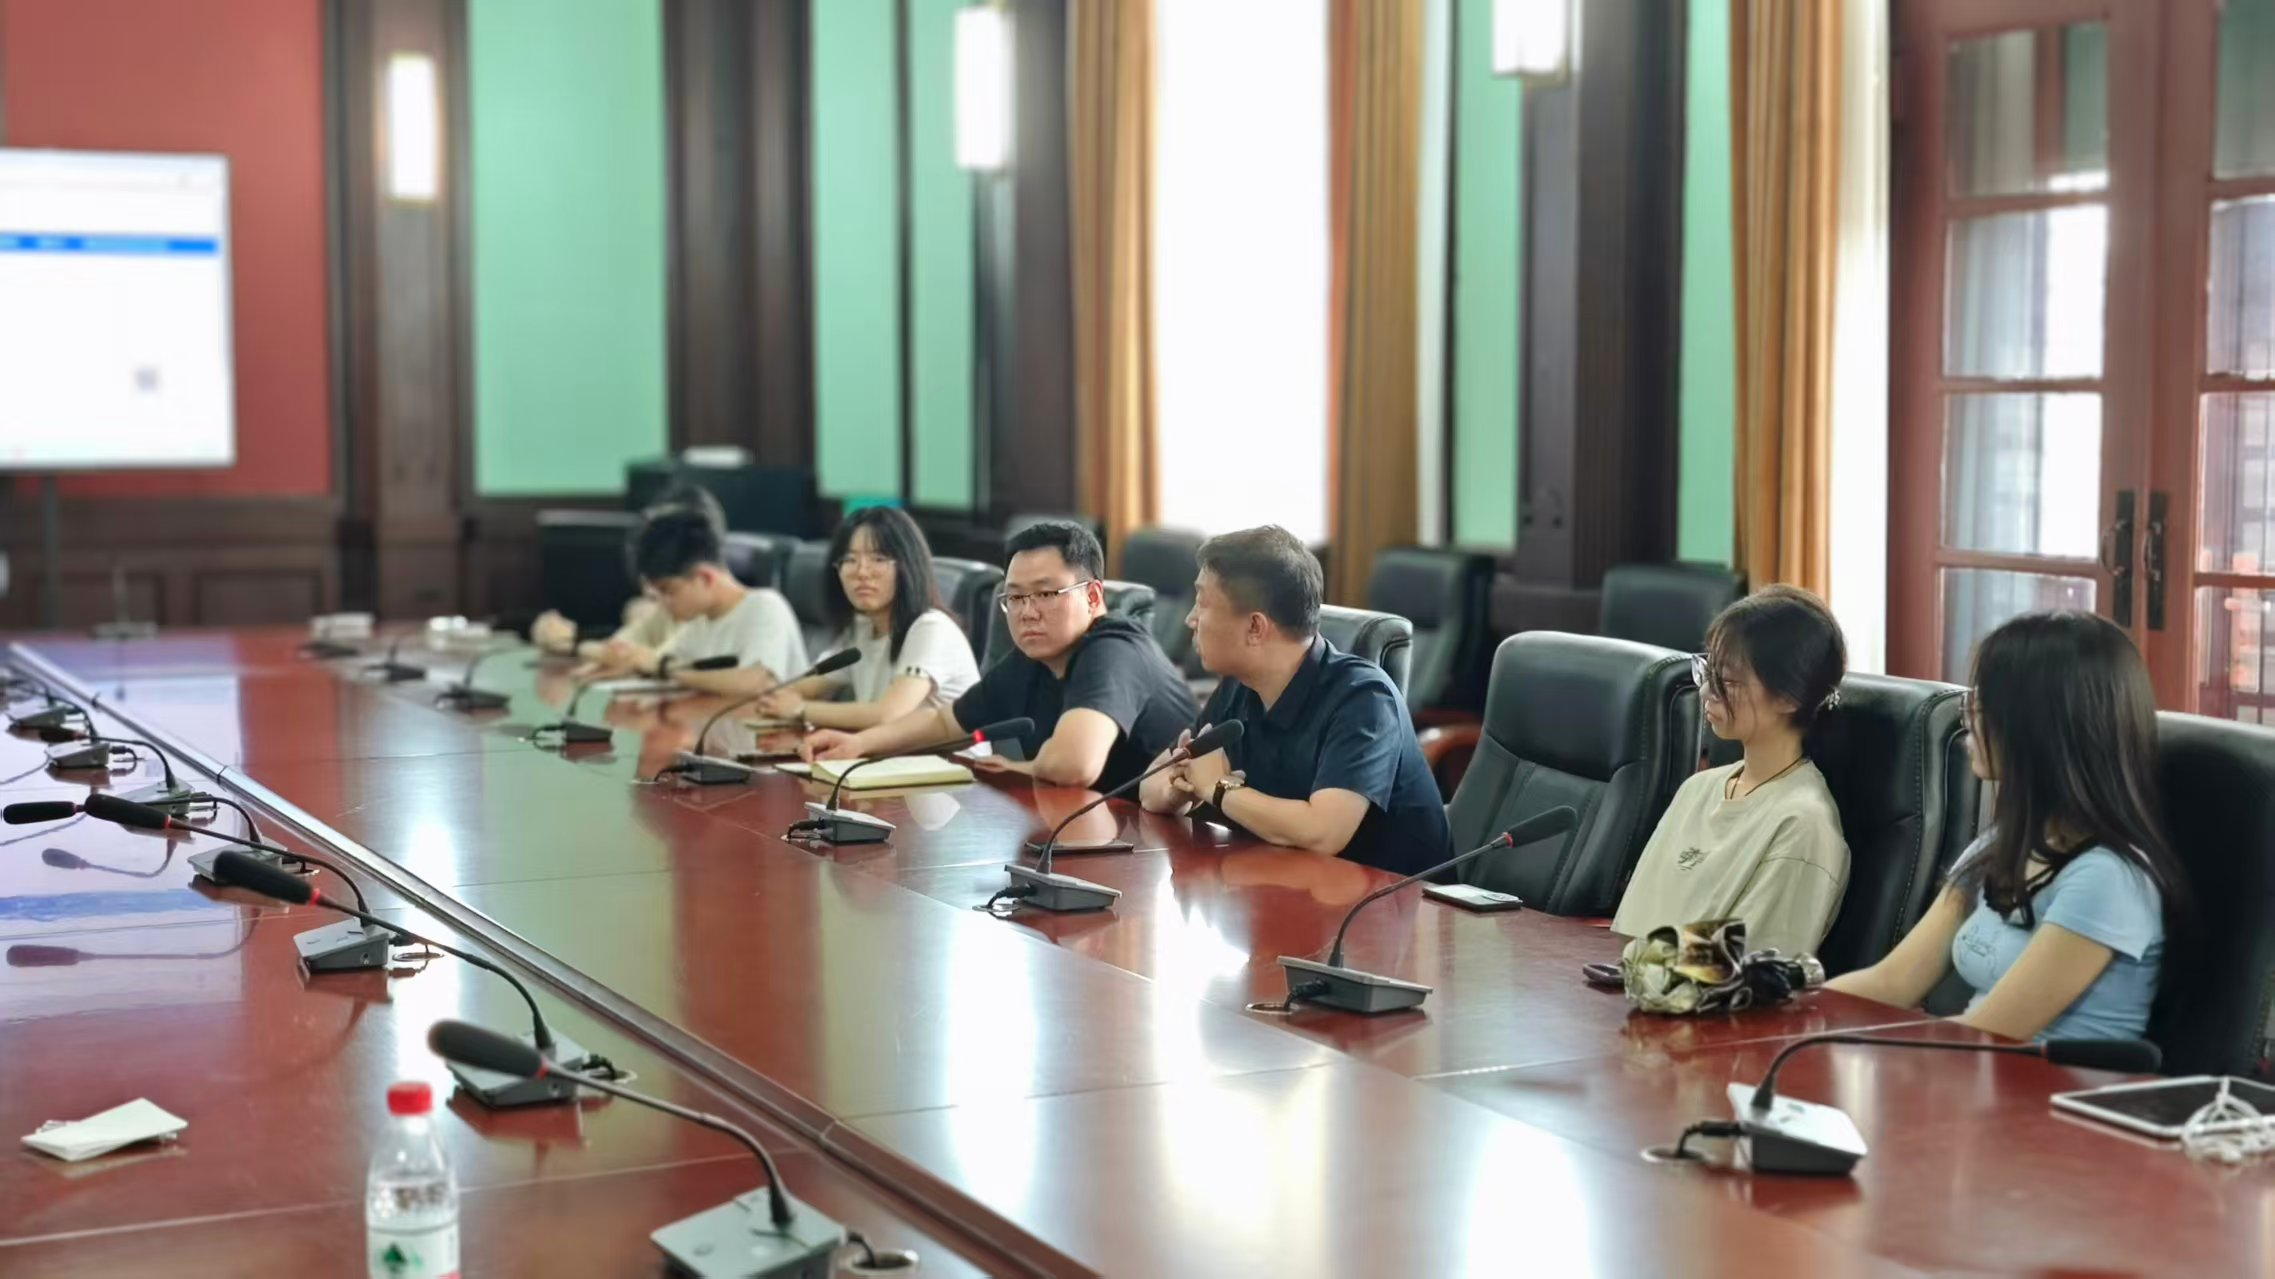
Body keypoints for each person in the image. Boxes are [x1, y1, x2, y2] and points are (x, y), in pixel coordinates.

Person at [1827, 612, 2189, 1042]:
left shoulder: (2108, 879)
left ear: (2038, 727)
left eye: (1983, 709)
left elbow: (1990, 1033)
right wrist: (1790, 1006)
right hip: (1976, 1072)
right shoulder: (2000, 845)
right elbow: (1893, 981)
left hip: (2035, 1082)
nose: (1969, 723)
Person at [1137, 526, 1451, 875]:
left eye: (1203, 602)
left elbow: (1324, 833)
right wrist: (1178, 791)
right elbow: (1150, 785)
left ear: (1255, 627)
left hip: (1397, 900)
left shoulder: (1364, 699)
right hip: (1287, 886)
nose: (1190, 618)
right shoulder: (1239, 686)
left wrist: (1217, 788)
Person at [804, 521, 1194, 790]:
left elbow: (1075, 764)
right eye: (1015, 597)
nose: (1027, 612)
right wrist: (860, 744)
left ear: (1093, 596)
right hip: (1097, 834)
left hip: (1175, 852)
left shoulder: (1115, 650)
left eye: (1045, 594)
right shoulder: (1033, 657)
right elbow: (945, 723)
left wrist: (1019, 768)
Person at [1610, 585, 1850, 958]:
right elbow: (1632, 931)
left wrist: (1641, 964)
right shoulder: (1698, 789)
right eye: (1708, 672)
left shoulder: (1803, 823)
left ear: (1790, 697)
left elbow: (1745, 961)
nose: (1707, 691)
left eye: (1729, 681)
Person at [754, 507, 980, 730]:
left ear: (908, 566)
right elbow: (805, 687)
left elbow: (888, 714)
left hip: (947, 755)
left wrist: (800, 709)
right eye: (850, 559)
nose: (862, 572)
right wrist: (775, 696)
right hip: (887, 752)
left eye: (879, 559)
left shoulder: (932, 629)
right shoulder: (862, 629)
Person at [588, 497, 807, 694]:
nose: (663, 603)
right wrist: (635, 662)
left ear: (705, 578)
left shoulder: (765, 607)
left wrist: (664, 669)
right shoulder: (699, 622)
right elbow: (657, 662)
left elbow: (756, 683)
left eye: (668, 591)